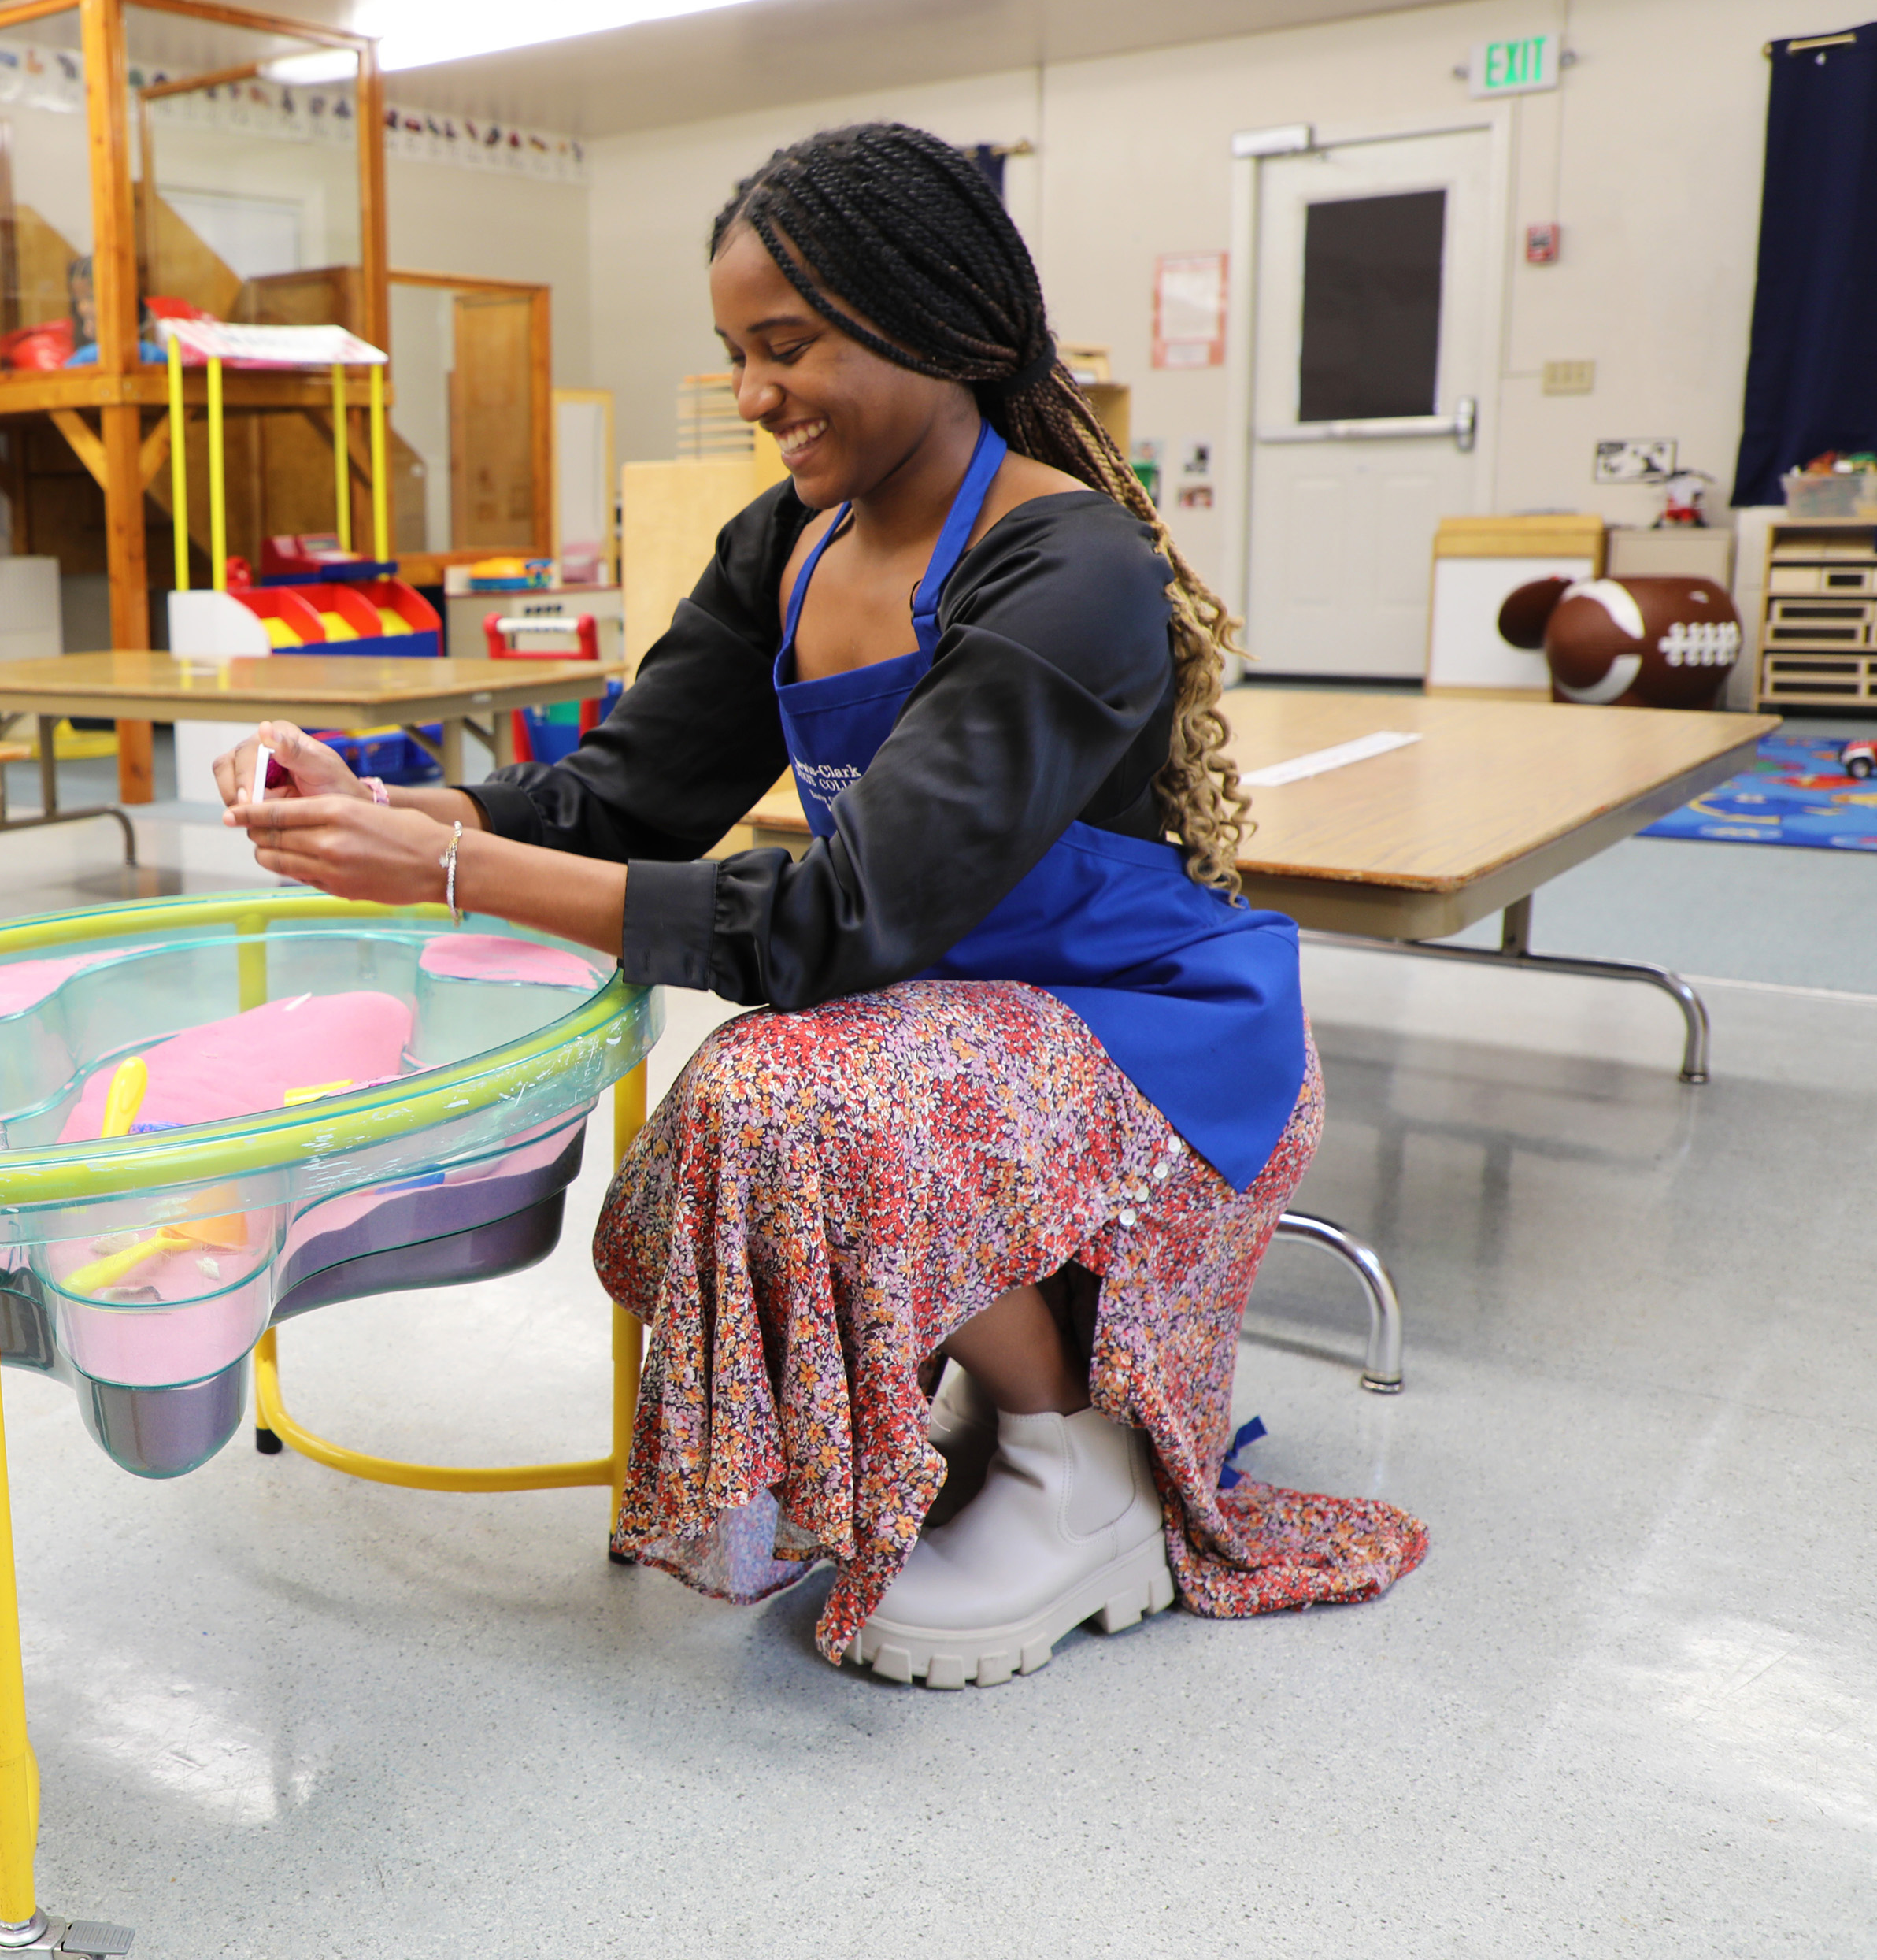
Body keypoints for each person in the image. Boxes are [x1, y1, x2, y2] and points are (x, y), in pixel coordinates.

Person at [217, 123, 1424, 1688]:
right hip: (956, 1012)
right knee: (808, 1075)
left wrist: (445, 870)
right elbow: (619, 797)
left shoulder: (1065, 563)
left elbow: (821, 933)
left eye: (785, 347)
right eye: (735, 353)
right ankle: (955, 1401)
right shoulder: (788, 545)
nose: (752, 393)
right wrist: (394, 808)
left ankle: (1082, 1471)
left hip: (1153, 1041)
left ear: (946, 326)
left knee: (785, 1090)